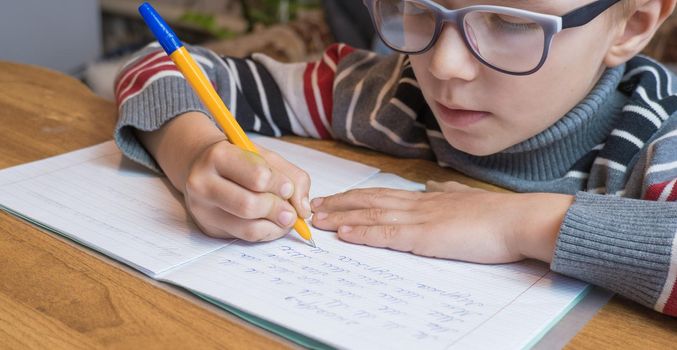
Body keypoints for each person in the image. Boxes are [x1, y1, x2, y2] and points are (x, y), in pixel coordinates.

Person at [113, 0, 677, 315]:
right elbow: (160, 66)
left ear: (631, 24)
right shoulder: (389, 97)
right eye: (417, 8)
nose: (445, 65)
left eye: (510, 22)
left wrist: (523, 222)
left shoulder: (657, 140)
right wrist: (195, 154)